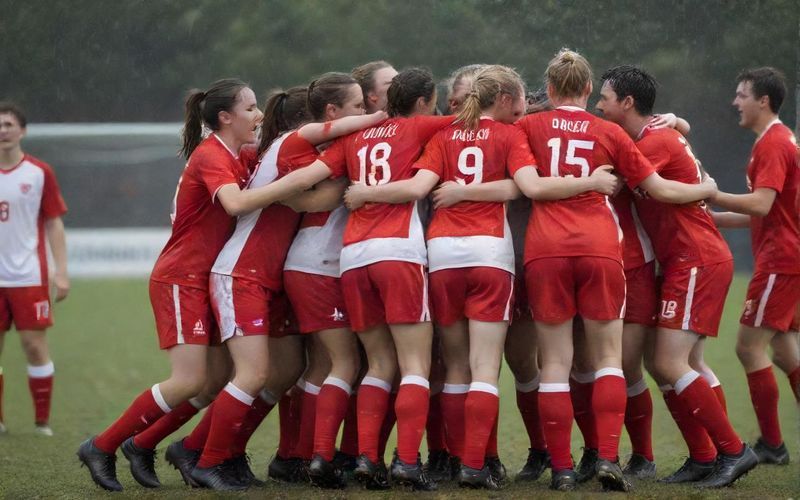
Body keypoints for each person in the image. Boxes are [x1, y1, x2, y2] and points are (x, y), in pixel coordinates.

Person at [345, 65, 621, 490]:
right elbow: (523, 186)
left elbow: (420, 186)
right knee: (487, 368)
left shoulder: (441, 135)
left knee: (453, 365)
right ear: (507, 99)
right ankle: (477, 463)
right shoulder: (514, 133)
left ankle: (456, 461)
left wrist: (368, 192)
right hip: (492, 252)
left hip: (439, 253)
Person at [76, 78, 324, 492]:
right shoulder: (212, 155)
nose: (258, 115)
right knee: (190, 380)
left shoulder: (239, 154)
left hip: (206, 277)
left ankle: (145, 444)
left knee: (215, 383)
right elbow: (236, 203)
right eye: (249, 108)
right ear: (225, 117)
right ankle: (101, 446)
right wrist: (304, 179)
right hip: (181, 277)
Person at [512, 48, 718, 492]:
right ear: (588, 89)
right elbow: (660, 187)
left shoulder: (526, 126)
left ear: (548, 89)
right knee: (611, 361)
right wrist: (708, 187)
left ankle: (563, 468)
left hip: (545, 249)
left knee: (555, 364)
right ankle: (608, 457)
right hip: (601, 249)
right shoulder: (609, 131)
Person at [598, 65, 758, 488]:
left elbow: (623, 183)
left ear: (627, 103)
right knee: (675, 362)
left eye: (605, 97)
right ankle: (705, 455)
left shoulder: (656, 141)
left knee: (669, 361)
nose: (599, 105)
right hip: (686, 260)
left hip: (695, 260)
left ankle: (733, 451)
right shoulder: (657, 134)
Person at [710, 67, 800, 466]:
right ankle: (773, 444)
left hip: (780, 261)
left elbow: (761, 204)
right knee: (784, 353)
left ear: (763, 100)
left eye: (742, 94)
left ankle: (773, 446)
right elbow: (762, 214)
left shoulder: (773, 144)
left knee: (748, 347)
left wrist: (710, 192)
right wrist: (710, 217)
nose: (735, 102)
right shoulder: (775, 141)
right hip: (786, 257)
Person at [0, 102, 68, 437]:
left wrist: (61, 271)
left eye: (9, 124)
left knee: (34, 345)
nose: (3, 131)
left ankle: (42, 421)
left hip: (28, 275)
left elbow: (54, 223)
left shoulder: (39, 173)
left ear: (22, 131)